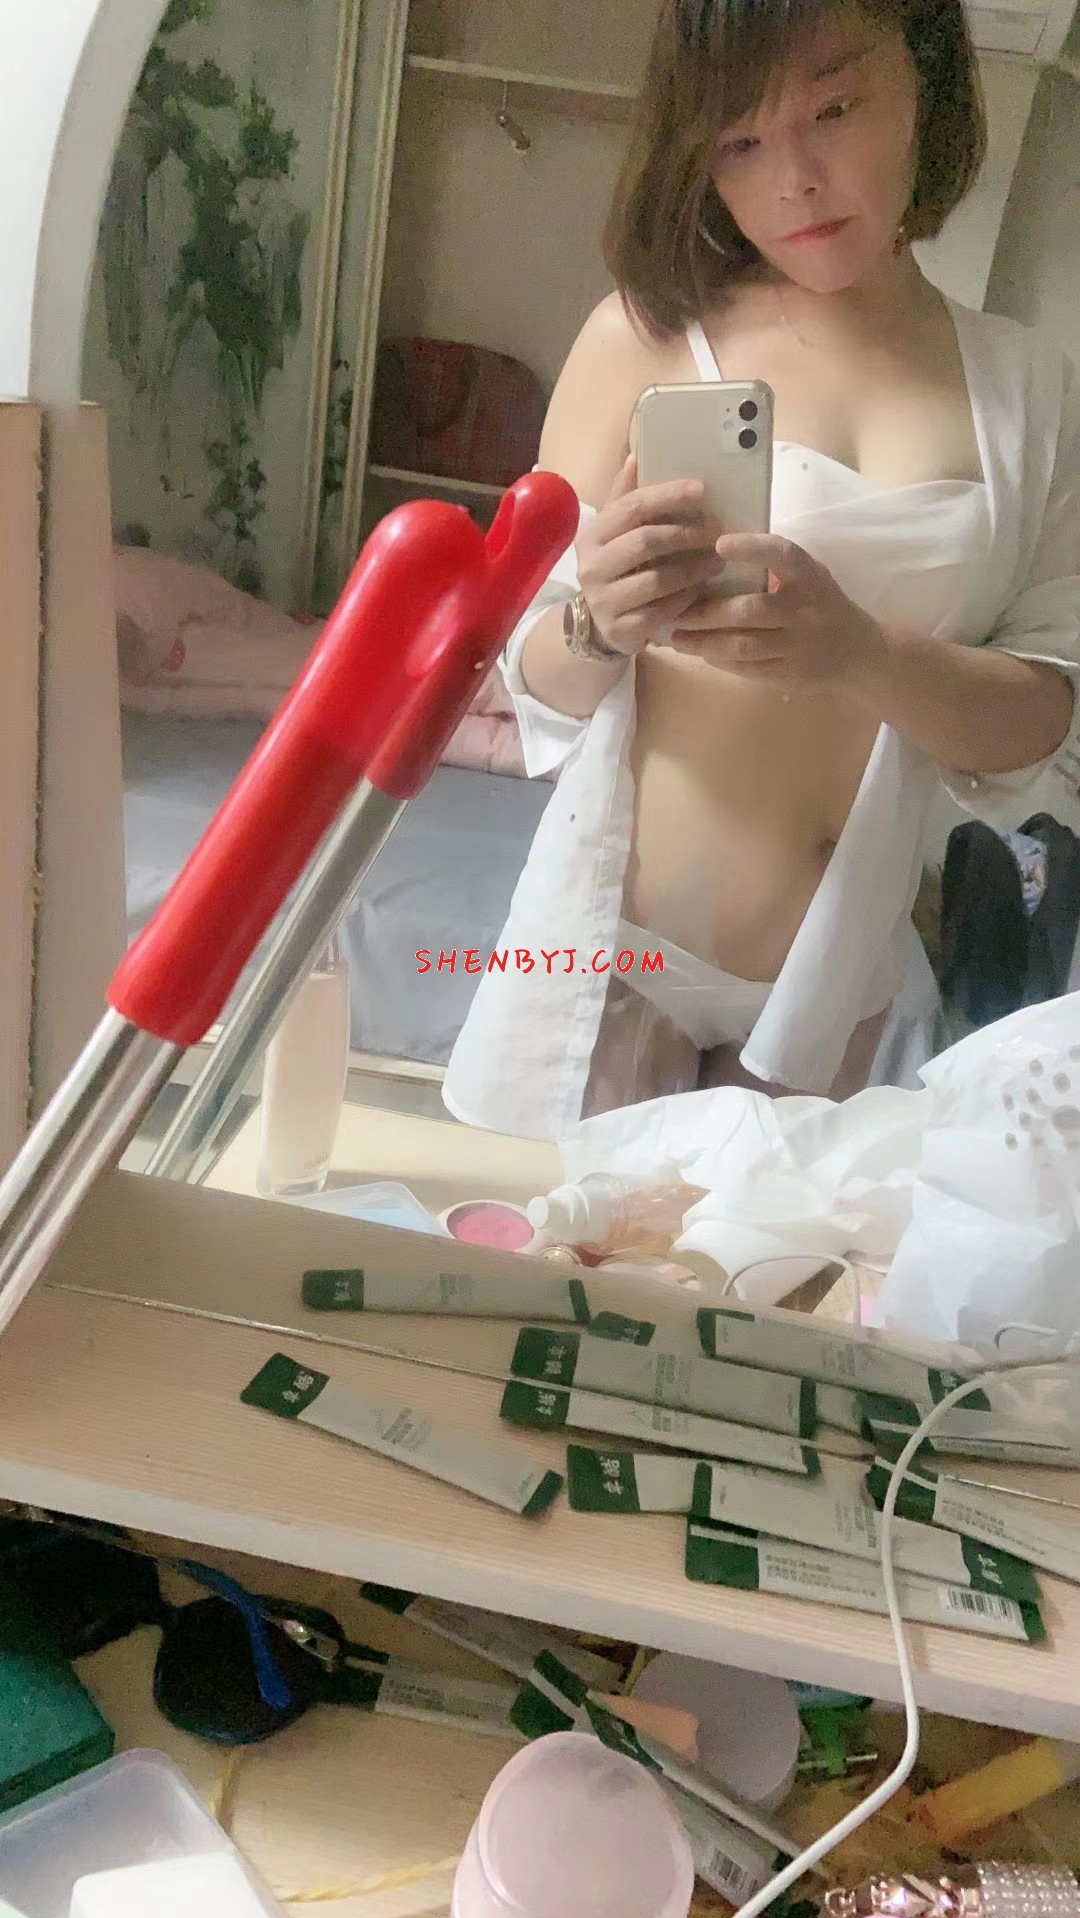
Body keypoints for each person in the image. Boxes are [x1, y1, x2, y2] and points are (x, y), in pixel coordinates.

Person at [443, 0, 1080, 1141]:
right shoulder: (640, 338)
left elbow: (1044, 725)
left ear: (926, 84)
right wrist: (601, 621)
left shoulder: (1033, 388)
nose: (795, 180)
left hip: (843, 983)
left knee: (779, 1257)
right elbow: (525, 678)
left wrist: (861, 654)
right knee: (577, 1252)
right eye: (739, 138)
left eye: (833, 108)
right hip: (618, 954)